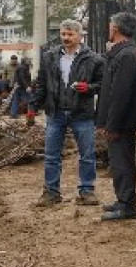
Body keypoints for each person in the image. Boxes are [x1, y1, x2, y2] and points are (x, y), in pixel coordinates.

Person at [28, 20, 105, 207]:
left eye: (70, 35)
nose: (66, 38)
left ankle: (87, 191)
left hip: (82, 113)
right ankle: (51, 192)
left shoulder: (94, 59)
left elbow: (103, 85)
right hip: (55, 113)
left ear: (80, 36)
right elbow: (41, 84)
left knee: (87, 154)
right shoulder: (49, 57)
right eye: (63, 34)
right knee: (51, 155)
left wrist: (89, 87)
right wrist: (32, 107)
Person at [96, 12, 136, 221]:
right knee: (119, 161)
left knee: (122, 162)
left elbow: (121, 93)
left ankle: (127, 205)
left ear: (115, 28)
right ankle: (122, 199)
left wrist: (113, 125)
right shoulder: (121, 53)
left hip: (122, 122)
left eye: (109, 25)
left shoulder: (126, 55)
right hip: (118, 120)